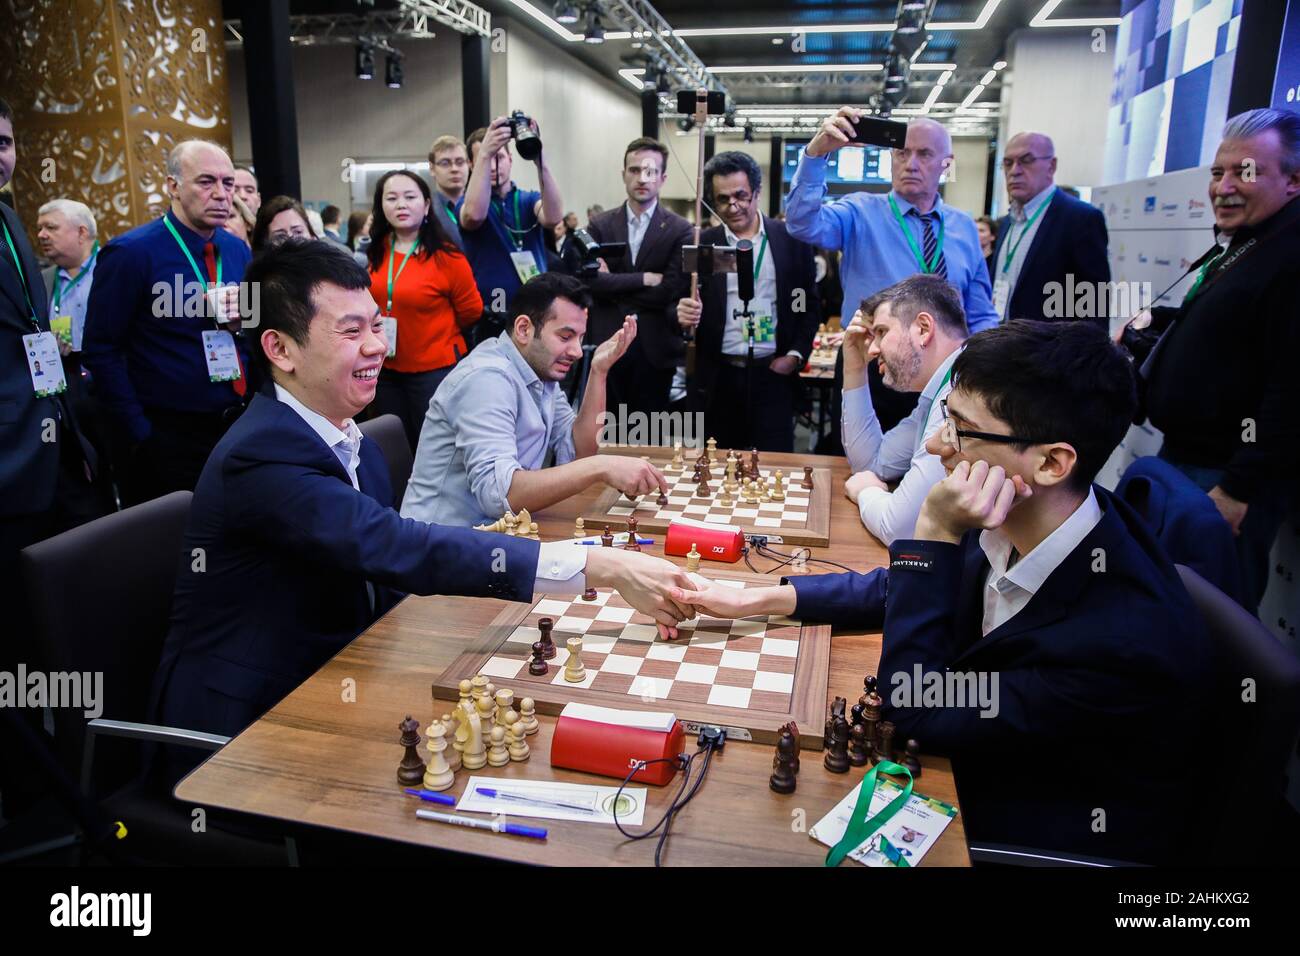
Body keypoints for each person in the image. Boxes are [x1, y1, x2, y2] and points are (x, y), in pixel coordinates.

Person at [148, 240, 694, 780]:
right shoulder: (260, 454)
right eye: (350, 331)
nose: (376, 346)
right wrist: (598, 565)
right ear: (281, 349)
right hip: (249, 730)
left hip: (348, 671)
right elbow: (396, 545)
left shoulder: (340, 432)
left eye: (374, 325)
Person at [673, 320, 1211, 865]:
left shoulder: (1118, 643)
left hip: (1026, 828)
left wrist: (932, 531)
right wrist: (760, 598)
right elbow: (908, 586)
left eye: (959, 429)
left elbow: (913, 708)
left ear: (1051, 462)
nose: (935, 445)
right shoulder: (1032, 513)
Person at [1118, 108, 1300, 613]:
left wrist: (1238, 488)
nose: (1223, 187)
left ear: (1293, 180)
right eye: (1217, 173)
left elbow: (1291, 389)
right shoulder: (1246, 244)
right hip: (1187, 461)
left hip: (1225, 476)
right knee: (1171, 610)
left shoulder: (1291, 254)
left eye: (1245, 172)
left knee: (1215, 620)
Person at [0, 98, 104, 816]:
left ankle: (83, 757)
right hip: (7, 459)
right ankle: (38, 787)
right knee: (13, 632)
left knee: (64, 617)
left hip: (55, 437)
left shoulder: (9, 215)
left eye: (4, 140)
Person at [786, 111, 997, 443]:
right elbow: (801, 223)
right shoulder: (859, 212)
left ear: (946, 164)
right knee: (861, 468)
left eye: (924, 154)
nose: (911, 163)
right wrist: (816, 154)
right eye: (902, 153)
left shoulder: (963, 227)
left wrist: (982, 366)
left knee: (935, 473)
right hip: (873, 366)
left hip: (946, 375)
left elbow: (980, 310)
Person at [402, 272, 665, 527]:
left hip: (497, 535)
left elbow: (579, 453)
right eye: (565, 336)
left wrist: (599, 371)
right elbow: (500, 496)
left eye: (581, 338)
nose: (576, 351)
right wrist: (600, 466)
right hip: (440, 549)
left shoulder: (537, 370)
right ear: (524, 329)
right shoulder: (487, 380)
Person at [83, 139, 253, 505]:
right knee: (168, 542)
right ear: (172, 186)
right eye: (206, 182)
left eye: (228, 183)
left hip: (233, 422)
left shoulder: (237, 249)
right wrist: (139, 431)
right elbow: (101, 349)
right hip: (166, 432)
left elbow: (251, 330)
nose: (222, 194)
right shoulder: (131, 253)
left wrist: (245, 325)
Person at [675, 151, 820, 452]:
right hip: (719, 376)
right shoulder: (703, 244)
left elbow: (805, 303)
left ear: (756, 192)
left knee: (773, 464)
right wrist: (682, 312)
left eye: (741, 195)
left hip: (773, 373)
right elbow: (677, 299)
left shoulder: (791, 240)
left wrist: (794, 355)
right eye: (722, 199)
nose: (733, 206)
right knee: (718, 468)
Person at [841, 274, 968, 544]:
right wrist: (854, 368)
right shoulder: (938, 391)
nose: (872, 349)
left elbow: (899, 530)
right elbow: (871, 464)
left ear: (923, 328)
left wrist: (867, 492)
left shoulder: (962, 394)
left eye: (882, 332)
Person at [365, 169, 481, 449]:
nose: (401, 204)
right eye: (391, 198)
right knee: (393, 446)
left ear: (427, 205)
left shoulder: (447, 256)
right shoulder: (376, 252)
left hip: (434, 370)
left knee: (435, 447)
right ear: (381, 206)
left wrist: (436, 331)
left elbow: (471, 311)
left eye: (409, 197)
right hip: (385, 368)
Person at [585, 137, 692, 417]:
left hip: (655, 349)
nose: (642, 178)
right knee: (606, 438)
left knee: (649, 440)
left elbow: (668, 290)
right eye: (634, 170)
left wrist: (614, 283)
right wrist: (644, 278)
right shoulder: (600, 225)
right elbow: (592, 283)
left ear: (663, 177)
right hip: (608, 342)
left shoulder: (680, 229)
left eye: (651, 171)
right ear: (624, 175)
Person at [459, 116, 563, 344]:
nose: (495, 165)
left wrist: (540, 161)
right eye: (484, 159)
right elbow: (474, 216)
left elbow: (553, 217)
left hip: (534, 305)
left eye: (500, 157)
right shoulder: (466, 203)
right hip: (489, 313)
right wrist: (485, 153)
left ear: (510, 159)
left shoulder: (527, 199)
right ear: (471, 164)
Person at [992, 132, 1110, 327]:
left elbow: (1094, 311)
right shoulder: (1007, 223)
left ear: (1051, 166)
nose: (1014, 171)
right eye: (1007, 163)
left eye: (1026, 160)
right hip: (1000, 347)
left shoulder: (1081, 219)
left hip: (1048, 352)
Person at [37, 199, 99, 356]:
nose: (41, 235)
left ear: (81, 232)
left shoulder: (115, 269)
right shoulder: (41, 281)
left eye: (51, 227)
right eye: (40, 228)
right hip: (67, 374)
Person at [427, 134, 468, 248]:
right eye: (445, 163)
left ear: (468, 165)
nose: (454, 169)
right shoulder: (425, 210)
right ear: (432, 169)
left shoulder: (482, 206)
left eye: (460, 162)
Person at [974, 215, 996, 280]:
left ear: (992, 236)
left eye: (981, 231)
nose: (976, 234)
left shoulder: (996, 260)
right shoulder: (969, 259)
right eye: (975, 230)